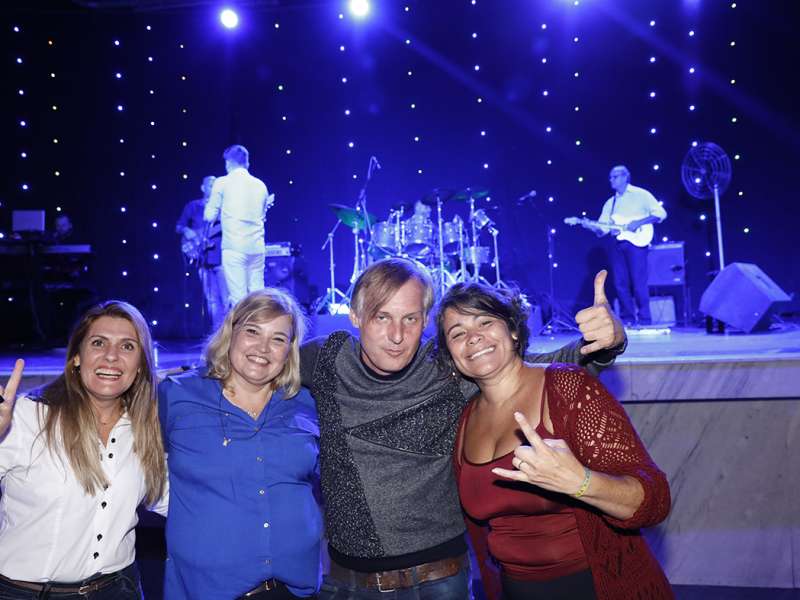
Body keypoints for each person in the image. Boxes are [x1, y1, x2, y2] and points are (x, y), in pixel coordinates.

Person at [299, 257, 626, 600]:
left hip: (439, 583)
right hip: (349, 584)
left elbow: (536, 371)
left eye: (410, 319)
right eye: (382, 317)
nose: (397, 335)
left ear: (425, 320)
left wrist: (606, 342)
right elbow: (261, 365)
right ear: (356, 316)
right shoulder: (327, 358)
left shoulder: (446, 369)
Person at [436, 282, 672, 600]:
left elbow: (655, 499)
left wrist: (582, 483)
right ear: (451, 355)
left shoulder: (567, 387)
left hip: (599, 587)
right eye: (457, 333)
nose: (473, 337)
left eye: (485, 321)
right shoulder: (465, 421)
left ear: (514, 331)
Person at [158, 288, 321, 599]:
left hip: (295, 590)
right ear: (230, 333)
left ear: (290, 350)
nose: (263, 348)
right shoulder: (178, 395)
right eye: (252, 331)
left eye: (278, 338)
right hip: (207, 590)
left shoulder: (306, 403)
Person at [0, 301, 168, 599]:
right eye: (98, 343)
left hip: (117, 589)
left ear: (141, 363)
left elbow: (182, 501)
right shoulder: (26, 418)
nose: (111, 357)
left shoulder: (146, 429)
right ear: (76, 357)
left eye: (128, 346)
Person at [590, 165, 667, 326]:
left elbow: (660, 213)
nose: (611, 180)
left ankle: (645, 319)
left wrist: (638, 222)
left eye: (615, 176)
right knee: (620, 283)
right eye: (610, 177)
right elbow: (603, 229)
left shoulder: (641, 194)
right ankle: (628, 319)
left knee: (639, 282)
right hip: (617, 245)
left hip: (637, 244)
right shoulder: (610, 203)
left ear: (626, 177)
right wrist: (590, 226)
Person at [205, 144, 274, 307]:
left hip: (234, 247)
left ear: (228, 162)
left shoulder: (222, 182)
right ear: (247, 162)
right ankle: (261, 329)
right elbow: (262, 217)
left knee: (239, 299)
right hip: (257, 247)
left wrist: (216, 203)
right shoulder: (261, 185)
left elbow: (209, 216)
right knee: (258, 297)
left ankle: (245, 331)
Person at [176, 174, 229, 330]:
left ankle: (229, 336)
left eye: (215, 184)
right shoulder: (193, 206)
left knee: (227, 299)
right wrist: (189, 232)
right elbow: (179, 226)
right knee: (212, 300)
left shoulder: (225, 208)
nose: (213, 187)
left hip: (221, 258)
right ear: (203, 188)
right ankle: (217, 336)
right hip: (203, 259)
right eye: (210, 184)